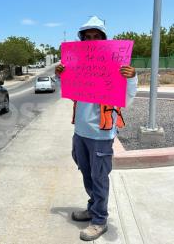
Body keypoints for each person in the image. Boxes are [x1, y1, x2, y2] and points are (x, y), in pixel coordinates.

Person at [55, 16, 138, 241]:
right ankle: (93, 208)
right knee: (87, 173)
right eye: (87, 37)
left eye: (96, 37)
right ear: (82, 40)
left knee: (99, 177)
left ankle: (100, 220)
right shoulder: (78, 65)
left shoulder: (116, 66)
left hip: (101, 135)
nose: (91, 40)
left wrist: (132, 78)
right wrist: (60, 76)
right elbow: (70, 93)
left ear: (103, 39)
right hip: (80, 132)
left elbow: (127, 100)